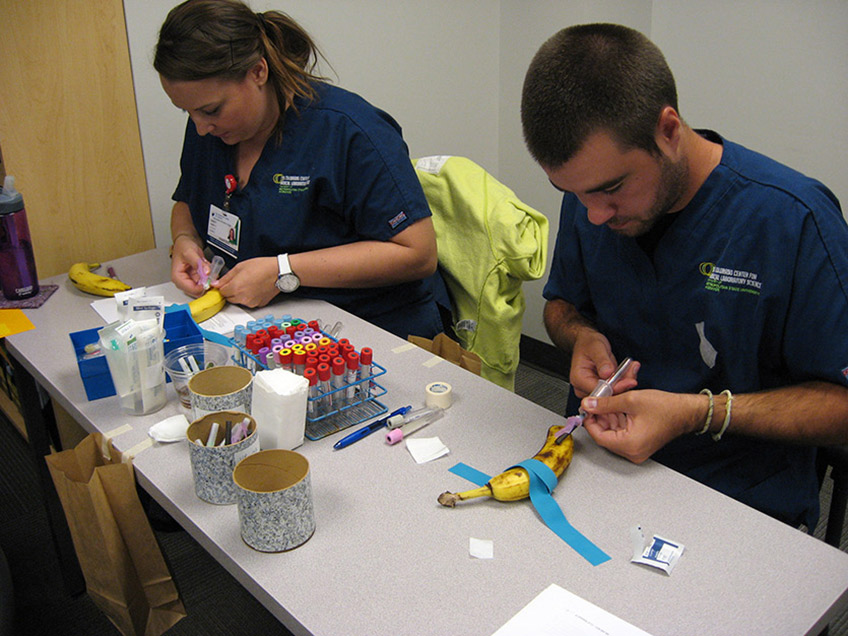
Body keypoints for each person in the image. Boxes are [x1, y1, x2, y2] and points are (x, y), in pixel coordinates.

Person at [521, 23, 848, 529]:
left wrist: (699, 412)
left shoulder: (791, 221)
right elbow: (561, 306)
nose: (594, 217)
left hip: (737, 502)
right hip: (596, 474)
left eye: (611, 190)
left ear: (668, 131)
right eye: (573, 193)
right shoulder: (591, 195)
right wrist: (580, 336)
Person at [154, 0, 445, 339]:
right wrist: (185, 240)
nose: (201, 127)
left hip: (372, 328)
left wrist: (283, 271)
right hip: (264, 325)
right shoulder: (210, 131)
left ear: (258, 72)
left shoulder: (348, 132)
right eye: (187, 112)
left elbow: (418, 254)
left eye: (211, 109)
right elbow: (188, 201)